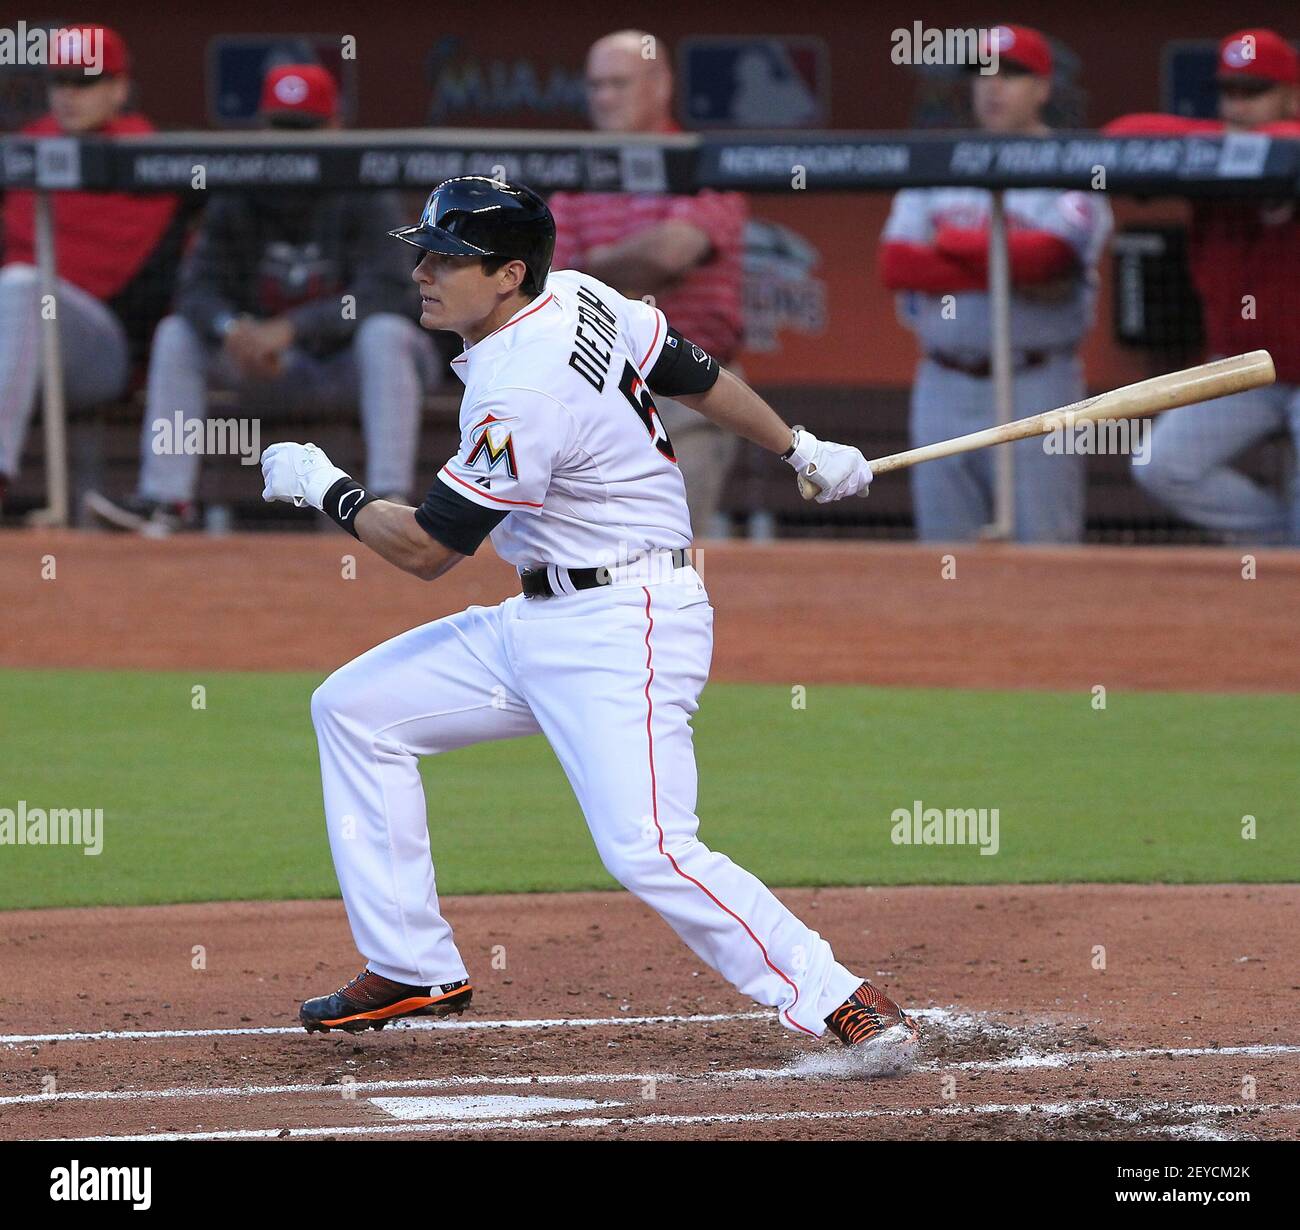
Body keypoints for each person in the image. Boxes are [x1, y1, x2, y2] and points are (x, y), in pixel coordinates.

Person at [258, 176, 917, 1066]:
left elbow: (428, 551)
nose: (420, 270)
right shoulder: (578, 295)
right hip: (538, 617)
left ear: (507, 274)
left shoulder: (521, 390)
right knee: (355, 709)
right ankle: (412, 963)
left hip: (625, 625)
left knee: (649, 848)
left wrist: (324, 487)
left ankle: (840, 997)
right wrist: (799, 446)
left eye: (445, 258)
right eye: (423, 252)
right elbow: (688, 370)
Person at [86, 64, 440, 534]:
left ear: (335, 128)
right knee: (178, 333)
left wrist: (294, 328)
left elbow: (390, 292)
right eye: (283, 129)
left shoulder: (363, 185)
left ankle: (386, 503)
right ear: (262, 130)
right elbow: (197, 288)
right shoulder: (240, 189)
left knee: (385, 333)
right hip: (266, 364)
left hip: (347, 366)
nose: (294, 143)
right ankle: (165, 501)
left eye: (306, 130)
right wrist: (232, 331)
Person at [879, 24, 1113, 542]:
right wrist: (1005, 257)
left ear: (1044, 88)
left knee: (1045, 554)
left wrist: (953, 245)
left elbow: (1048, 261)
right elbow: (898, 265)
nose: (994, 86)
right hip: (944, 382)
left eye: (1012, 74)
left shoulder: (1074, 167)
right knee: (946, 554)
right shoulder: (937, 164)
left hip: (1040, 384)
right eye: (983, 74)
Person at [547, 29, 747, 539]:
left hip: (688, 391)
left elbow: (672, 251)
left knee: (671, 548)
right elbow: (548, 277)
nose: (604, 98)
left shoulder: (700, 163)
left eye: (619, 83)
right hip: (590, 394)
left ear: (659, 85)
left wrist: (590, 267)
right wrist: (626, 265)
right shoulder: (578, 175)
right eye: (595, 86)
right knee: (586, 554)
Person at [1105, 29, 1300, 543]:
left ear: (1292, 96)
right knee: (1161, 463)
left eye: (1255, 91)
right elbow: (1121, 135)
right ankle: (1278, 541)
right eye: (1230, 92)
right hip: (1243, 367)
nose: (1239, 105)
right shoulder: (1209, 154)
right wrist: (1220, 145)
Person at [0, 25, 182, 517]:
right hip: (17, 337)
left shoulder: (149, 154)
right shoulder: (26, 146)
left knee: (20, 286)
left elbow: (121, 279)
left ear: (119, 88)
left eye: (85, 83)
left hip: (103, 350)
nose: (69, 96)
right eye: (60, 83)